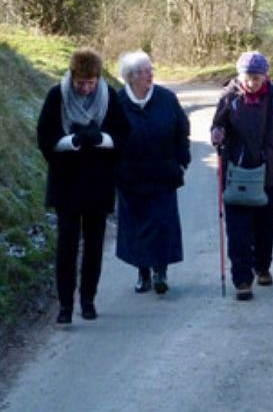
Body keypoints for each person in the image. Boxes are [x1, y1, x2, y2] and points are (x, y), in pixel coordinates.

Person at [37, 48, 130, 324]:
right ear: (72, 77)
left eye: (91, 82)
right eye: (81, 83)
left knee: (93, 245)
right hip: (66, 183)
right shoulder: (57, 96)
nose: (86, 88)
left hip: (98, 183)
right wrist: (69, 142)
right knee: (66, 244)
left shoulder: (108, 95)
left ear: (98, 78)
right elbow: (44, 136)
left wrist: (102, 139)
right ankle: (65, 305)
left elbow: (124, 134)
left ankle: (88, 299)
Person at [211, 51, 273, 301]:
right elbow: (217, 126)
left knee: (265, 227)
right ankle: (242, 279)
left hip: (270, 174)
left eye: (257, 77)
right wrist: (217, 134)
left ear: (266, 75)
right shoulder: (229, 96)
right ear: (240, 76)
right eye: (248, 77)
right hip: (237, 174)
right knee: (239, 230)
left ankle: (262, 266)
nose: (252, 83)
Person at [115, 51, 191, 295]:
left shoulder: (166, 98)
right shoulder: (117, 103)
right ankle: (142, 273)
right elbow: (110, 137)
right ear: (132, 76)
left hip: (163, 173)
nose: (151, 75)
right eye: (146, 71)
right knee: (136, 226)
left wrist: (182, 159)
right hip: (130, 176)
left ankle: (161, 272)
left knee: (162, 224)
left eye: (151, 70)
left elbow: (182, 128)